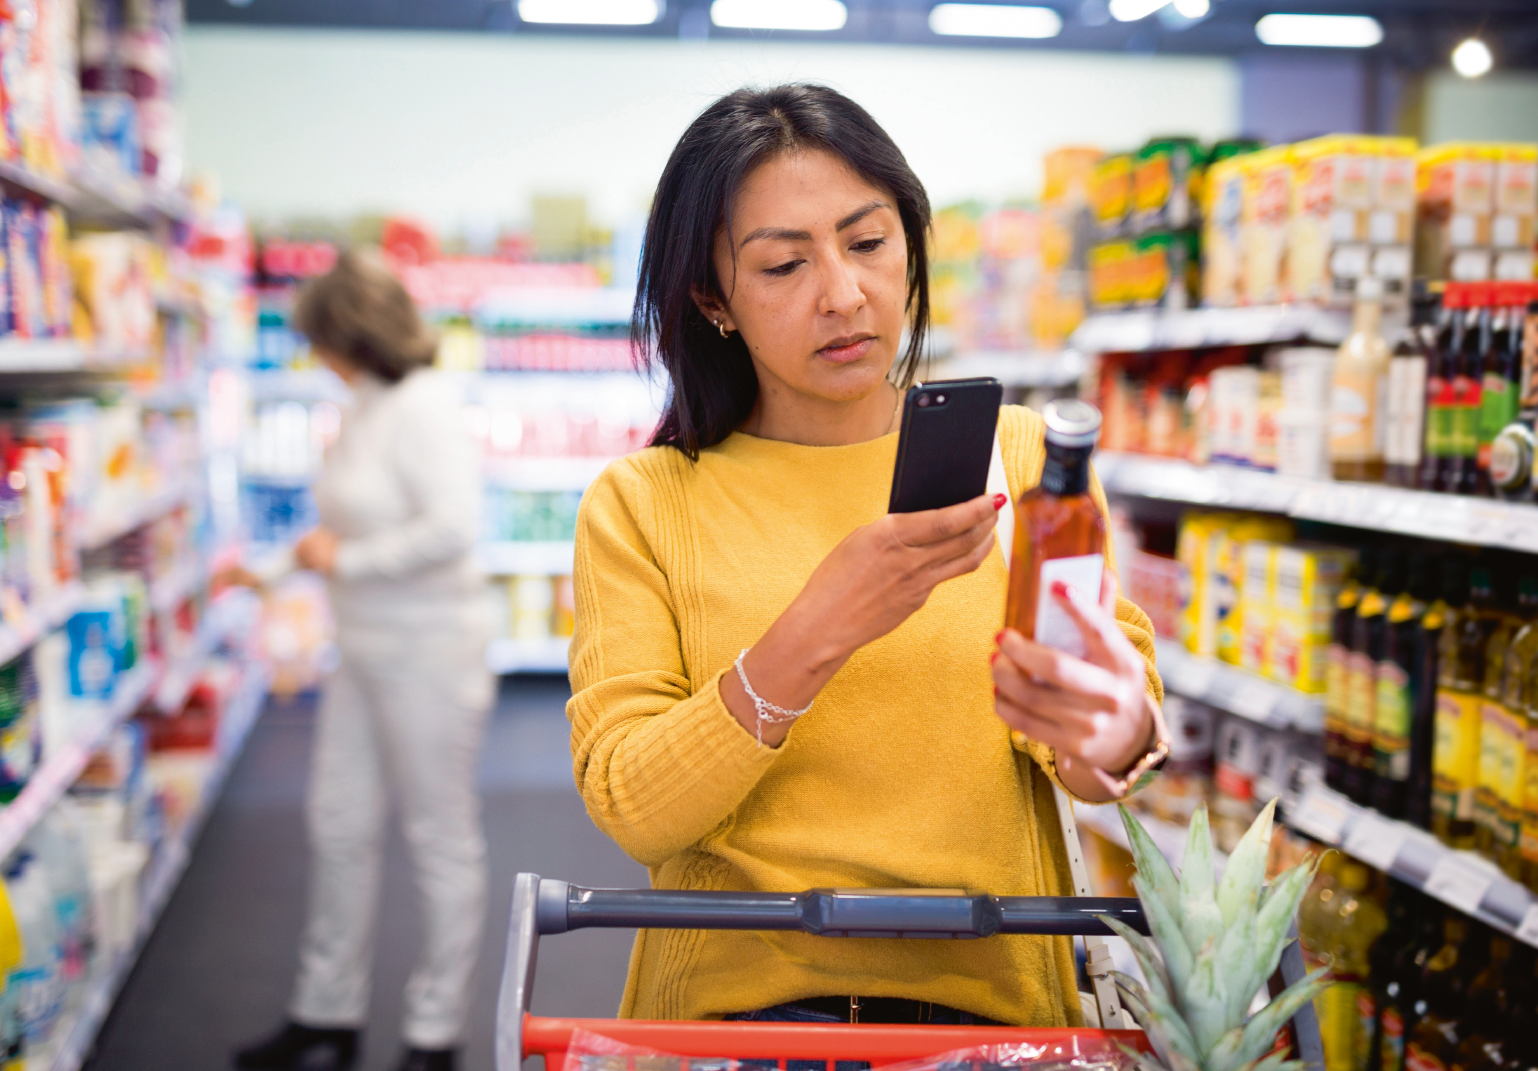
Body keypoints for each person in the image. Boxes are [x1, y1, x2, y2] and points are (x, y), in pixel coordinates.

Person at [567, 84, 1167, 1028]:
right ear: (711, 297)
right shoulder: (645, 503)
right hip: (738, 1022)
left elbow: (1088, 758)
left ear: (912, 246)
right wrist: (817, 628)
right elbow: (634, 809)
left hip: (995, 1012)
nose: (843, 295)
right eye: (782, 265)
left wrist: (1118, 729)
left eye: (868, 242)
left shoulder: (1017, 460)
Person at [232, 250, 492, 1071]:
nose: (317, 358)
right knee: (337, 822)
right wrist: (270, 569)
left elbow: (451, 528)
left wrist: (341, 564)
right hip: (363, 647)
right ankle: (327, 1011)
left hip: (430, 651)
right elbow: (340, 525)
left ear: (352, 334)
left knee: (436, 835)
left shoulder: (423, 406)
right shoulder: (365, 404)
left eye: (321, 340)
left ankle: (433, 1031)